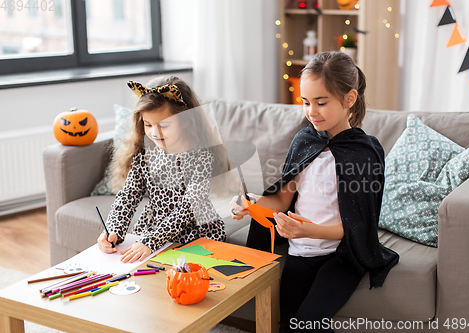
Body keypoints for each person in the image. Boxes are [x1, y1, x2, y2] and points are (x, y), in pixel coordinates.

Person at [230, 52, 399, 332]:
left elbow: (357, 227)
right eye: (306, 102)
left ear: (349, 99)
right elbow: (283, 199)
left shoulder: (364, 152)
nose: (312, 112)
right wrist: (253, 205)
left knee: (309, 323)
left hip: (342, 257)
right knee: (287, 325)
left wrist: (308, 230)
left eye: (321, 103)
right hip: (300, 252)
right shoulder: (304, 139)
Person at [98, 76, 227, 263]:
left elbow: (189, 208)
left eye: (164, 126)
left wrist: (151, 242)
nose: (154, 133)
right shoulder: (144, 154)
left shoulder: (202, 156)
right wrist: (113, 230)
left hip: (195, 235)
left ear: (186, 120)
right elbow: (128, 196)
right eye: (148, 125)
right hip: (154, 232)